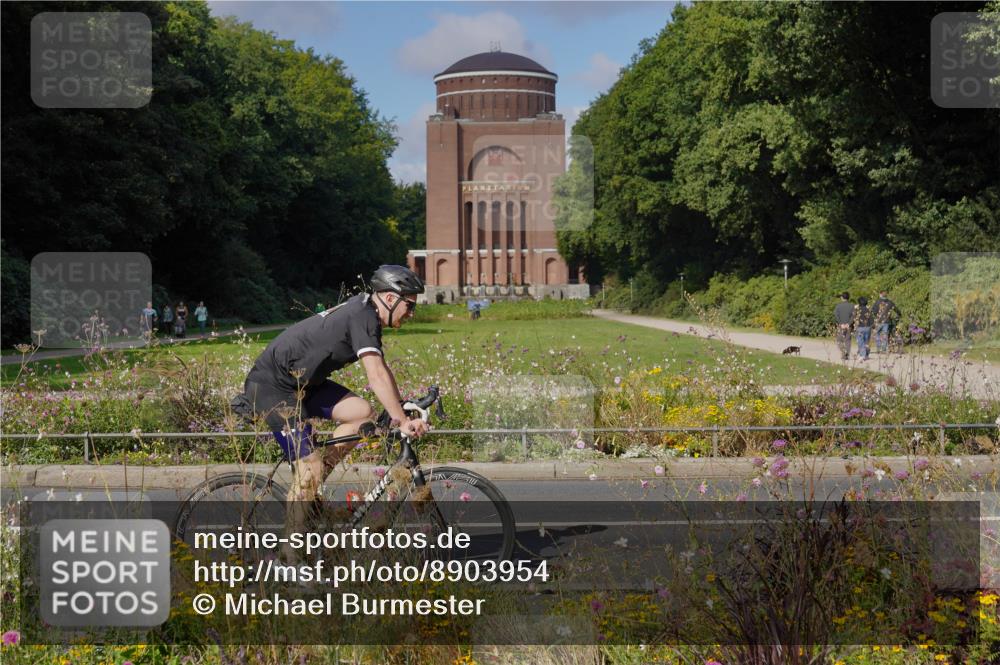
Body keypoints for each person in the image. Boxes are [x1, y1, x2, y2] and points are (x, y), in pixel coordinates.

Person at [231, 265, 430, 560]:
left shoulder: (366, 313)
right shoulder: (362, 315)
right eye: (409, 305)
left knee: (362, 412)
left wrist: (398, 408)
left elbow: (382, 369)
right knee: (308, 468)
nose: (411, 313)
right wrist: (400, 421)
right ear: (390, 299)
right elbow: (374, 374)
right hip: (272, 387)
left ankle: (310, 488)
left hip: (303, 384)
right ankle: (289, 557)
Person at [833, 292, 854, 360]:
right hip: (848, 326)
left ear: (842, 298)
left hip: (841, 325)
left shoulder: (838, 306)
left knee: (839, 340)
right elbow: (854, 316)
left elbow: (836, 315)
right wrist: (849, 323)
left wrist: (841, 323)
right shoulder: (852, 305)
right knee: (847, 340)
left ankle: (843, 353)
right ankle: (847, 354)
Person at [853, 296, 874, 361]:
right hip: (868, 327)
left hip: (860, 327)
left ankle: (863, 355)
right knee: (866, 341)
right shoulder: (868, 310)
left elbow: (853, 317)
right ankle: (867, 354)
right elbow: (871, 319)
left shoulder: (858, 310)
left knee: (860, 341)